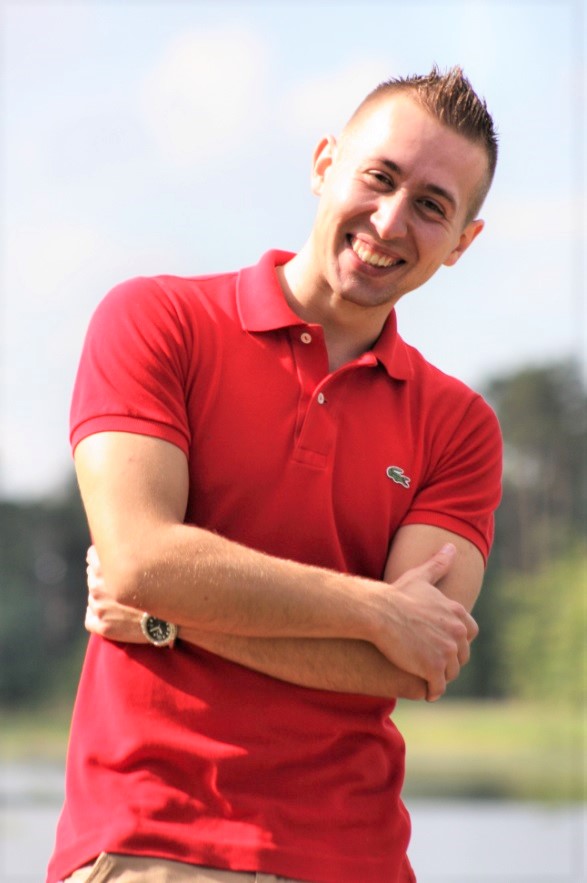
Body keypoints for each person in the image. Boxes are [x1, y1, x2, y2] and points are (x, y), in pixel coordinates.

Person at [47, 65, 502, 883]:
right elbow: (142, 560)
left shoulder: (459, 426)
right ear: (325, 164)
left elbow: (411, 660)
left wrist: (166, 619)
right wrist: (374, 608)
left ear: (461, 242)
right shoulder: (157, 319)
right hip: (154, 843)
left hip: (357, 861)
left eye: (431, 205)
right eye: (379, 177)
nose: (390, 220)